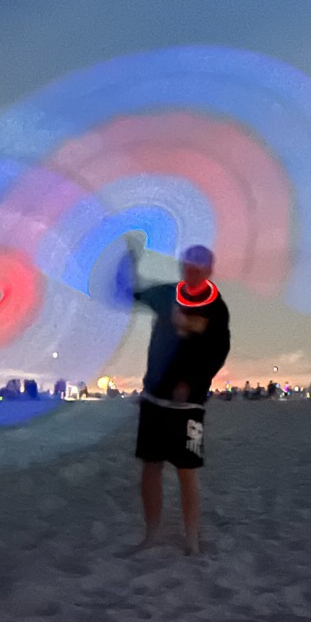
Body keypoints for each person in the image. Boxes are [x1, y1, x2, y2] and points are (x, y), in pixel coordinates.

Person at [124, 238, 231, 555]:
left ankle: (192, 539)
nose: (193, 272)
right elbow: (133, 293)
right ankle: (152, 533)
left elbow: (217, 353)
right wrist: (128, 263)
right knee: (151, 468)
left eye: (199, 268)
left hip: (189, 406)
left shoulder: (216, 308)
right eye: (188, 266)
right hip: (154, 400)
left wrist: (191, 382)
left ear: (209, 271)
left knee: (187, 471)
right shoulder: (167, 294)